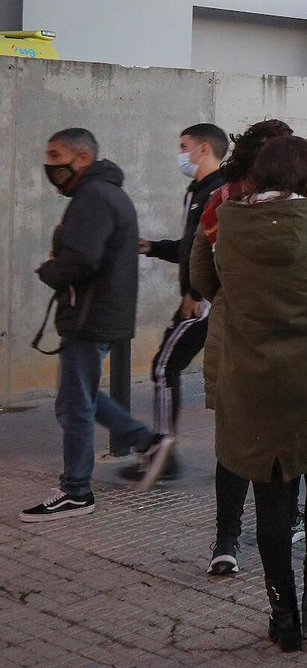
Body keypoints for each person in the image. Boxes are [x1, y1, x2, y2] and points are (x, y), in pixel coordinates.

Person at [191, 135, 307, 652]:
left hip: (250, 377)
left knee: (270, 494)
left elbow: (203, 279)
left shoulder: (223, 218)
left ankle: (281, 613)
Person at [21, 129, 176, 522]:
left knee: (74, 404)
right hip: (97, 314)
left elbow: (82, 260)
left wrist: (49, 271)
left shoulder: (92, 197)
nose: (50, 163)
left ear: (83, 158)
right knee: (78, 395)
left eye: (56, 154)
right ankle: (148, 442)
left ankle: (76, 490)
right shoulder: (104, 193)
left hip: (89, 316)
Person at [191, 118, 295, 574]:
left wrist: (228, 297)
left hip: (234, 333)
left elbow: (200, 272)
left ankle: (226, 540)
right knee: (285, 439)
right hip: (290, 337)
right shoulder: (305, 202)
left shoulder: (221, 200)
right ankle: (285, 525)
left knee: (233, 443)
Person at [126, 122, 228, 484]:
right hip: (198, 298)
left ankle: (164, 450)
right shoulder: (197, 190)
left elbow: (213, 252)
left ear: (203, 149)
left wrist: (195, 294)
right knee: (167, 367)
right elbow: (189, 248)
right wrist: (151, 247)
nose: (180, 153)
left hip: (202, 301)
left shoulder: (218, 191)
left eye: (183, 145)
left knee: (162, 367)